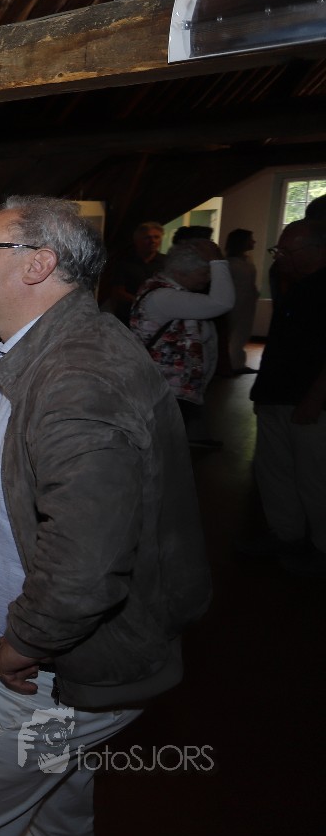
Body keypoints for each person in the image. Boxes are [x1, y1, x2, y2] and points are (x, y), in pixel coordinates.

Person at [0, 196, 210, 836]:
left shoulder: (78, 379)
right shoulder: (52, 346)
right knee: (50, 812)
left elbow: (88, 560)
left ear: (38, 264)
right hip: (48, 676)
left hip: (35, 680)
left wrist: (29, 640)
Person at [249, 219, 326, 575]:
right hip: (278, 395)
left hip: (308, 402)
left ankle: (321, 548)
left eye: (286, 251)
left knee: (314, 477)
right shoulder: (298, 286)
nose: (279, 257)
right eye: (277, 250)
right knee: (275, 472)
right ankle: (287, 535)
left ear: (317, 250)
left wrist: (315, 398)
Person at [128, 239, 234, 446]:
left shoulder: (165, 289)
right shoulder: (164, 296)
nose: (208, 279)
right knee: (165, 447)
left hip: (169, 389)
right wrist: (218, 262)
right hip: (166, 390)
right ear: (181, 272)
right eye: (204, 273)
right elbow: (222, 302)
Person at [97, 221, 164, 325]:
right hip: (129, 316)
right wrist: (142, 301)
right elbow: (118, 291)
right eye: (148, 237)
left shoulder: (167, 262)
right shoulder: (124, 262)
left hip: (158, 317)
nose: (153, 241)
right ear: (137, 240)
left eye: (156, 237)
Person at [222, 228, 260, 374]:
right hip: (235, 303)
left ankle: (237, 364)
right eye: (250, 239)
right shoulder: (230, 263)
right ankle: (232, 365)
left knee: (242, 333)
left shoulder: (246, 260)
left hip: (246, 302)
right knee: (234, 334)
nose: (253, 242)